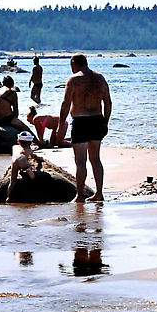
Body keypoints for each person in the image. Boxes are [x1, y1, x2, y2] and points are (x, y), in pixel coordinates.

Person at [60, 54, 112, 202]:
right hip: (97, 120)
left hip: (81, 122)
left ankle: (80, 195)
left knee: (80, 161)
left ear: (73, 63)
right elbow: (108, 103)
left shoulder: (74, 80)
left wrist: (60, 125)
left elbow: (66, 104)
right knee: (95, 159)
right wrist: (105, 122)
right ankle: (99, 193)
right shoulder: (100, 78)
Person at [6, 131, 43, 202]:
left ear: (18, 142)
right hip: (22, 160)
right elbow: (34, 157)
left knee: (13, 180)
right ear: (31, 142)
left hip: (14, 161)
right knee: (30, 167)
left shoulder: (18, 150)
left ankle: (8, 197)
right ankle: (29, 170)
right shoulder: (29, 150)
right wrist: (39, 159)